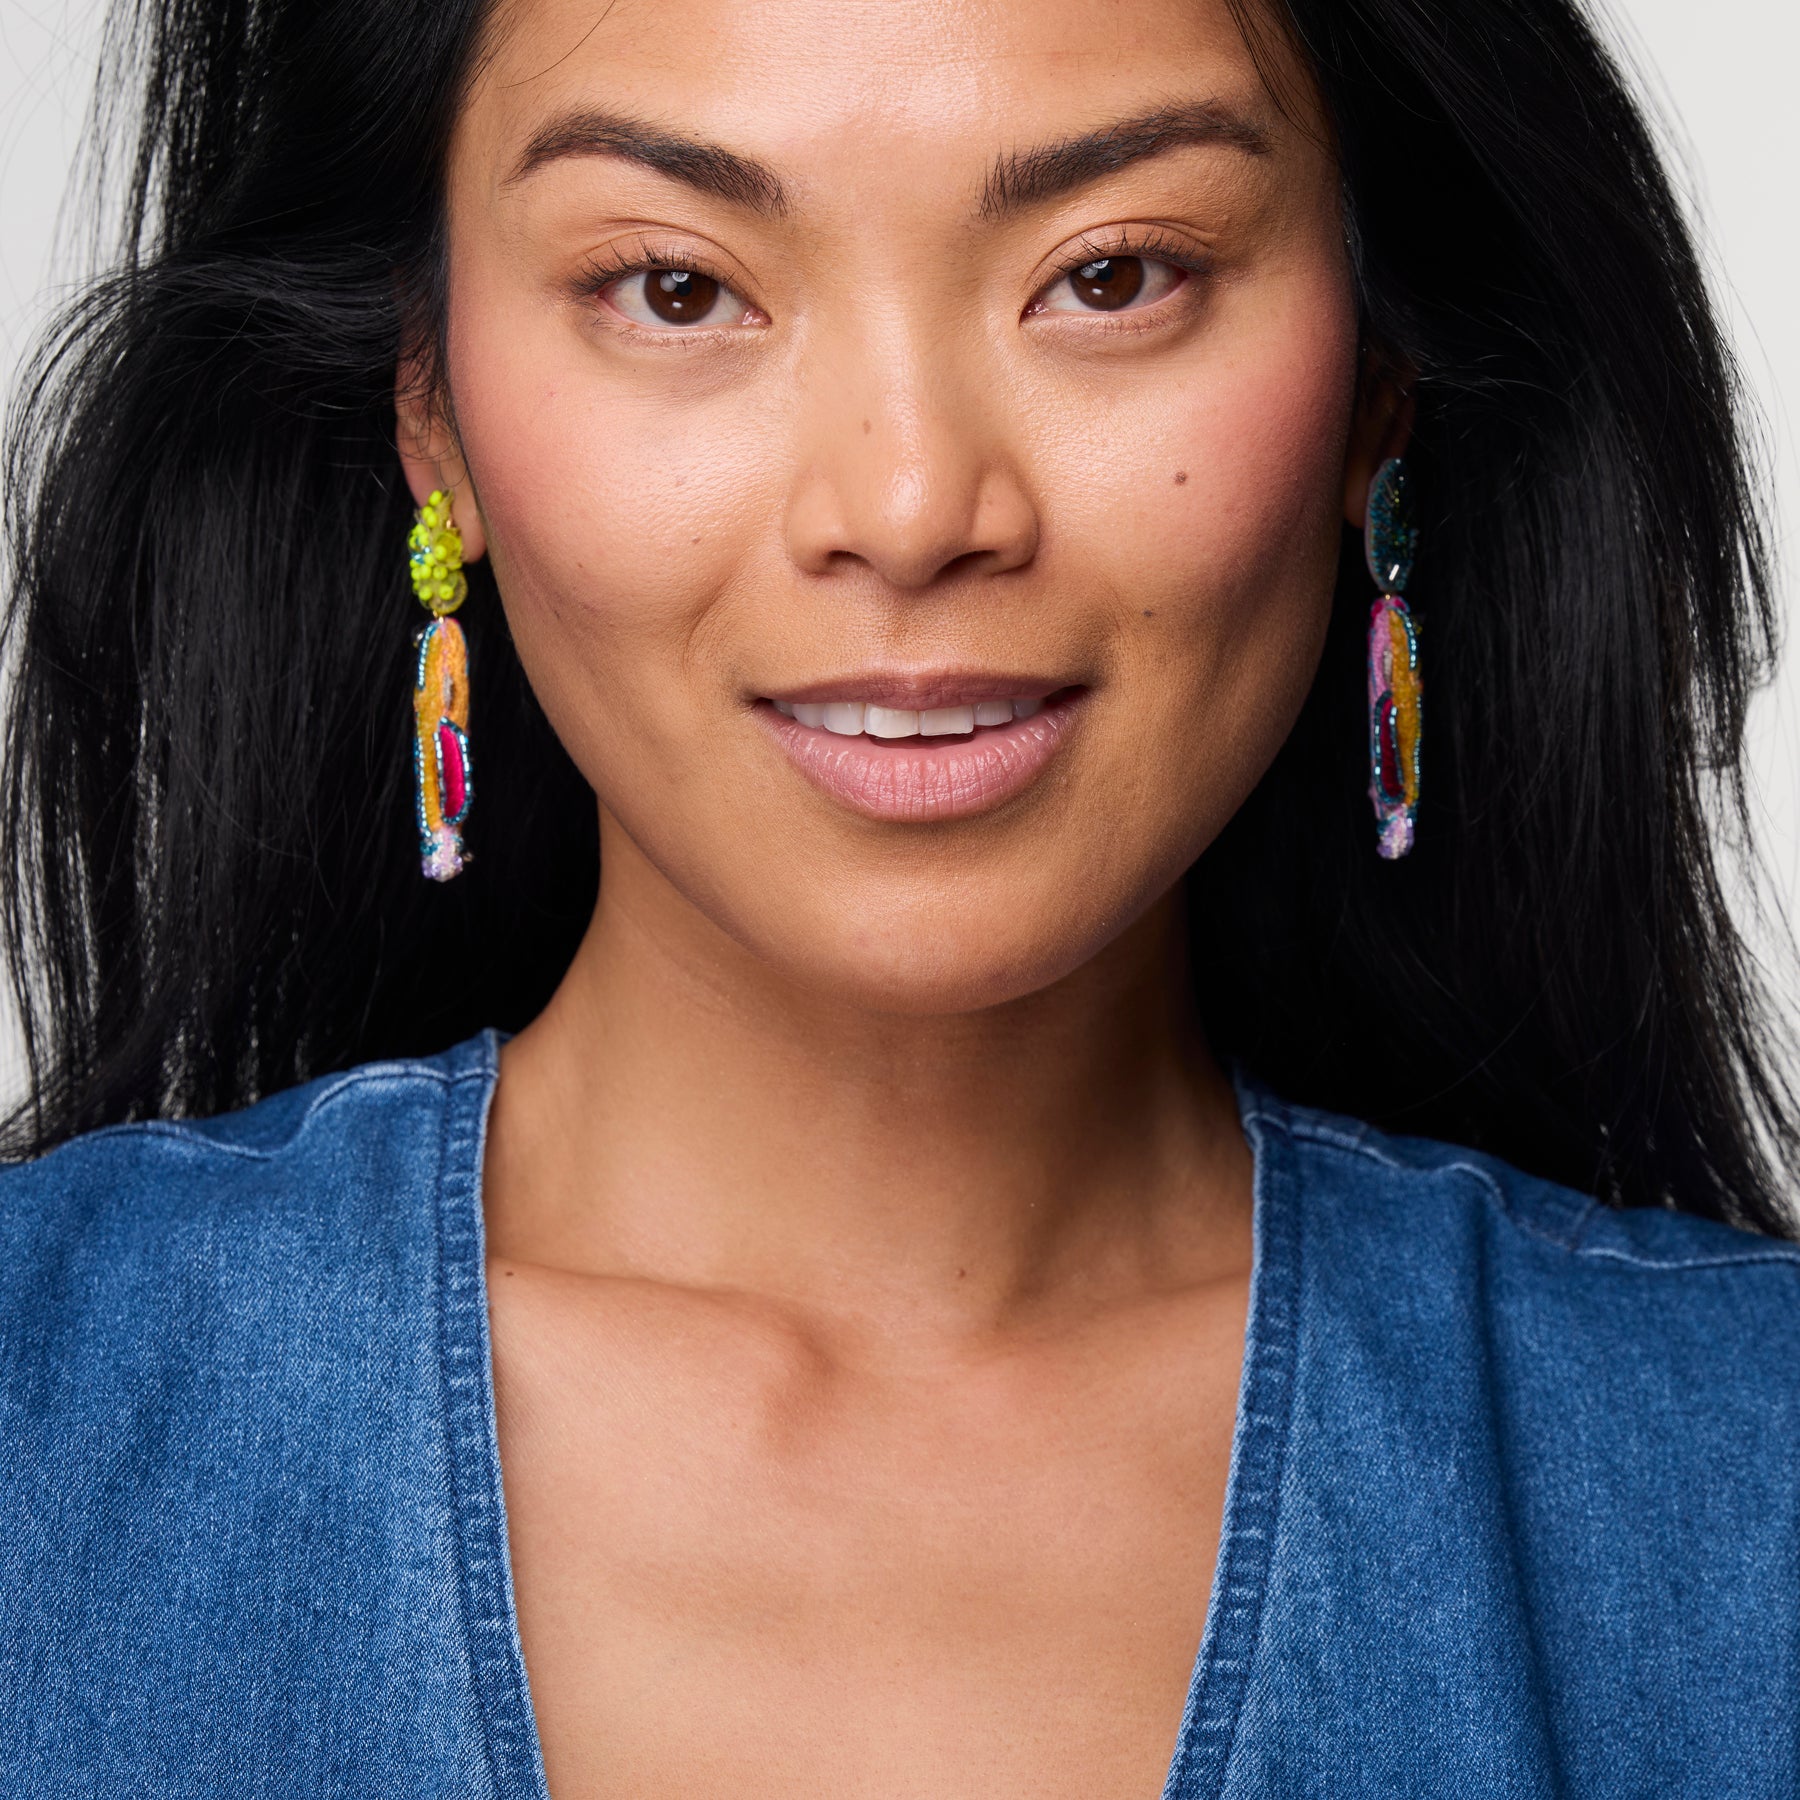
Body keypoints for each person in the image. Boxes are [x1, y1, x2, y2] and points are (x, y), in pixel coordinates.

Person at [1, 0, 1796, 1791]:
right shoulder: (43, 1401)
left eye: (1112, 276)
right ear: (432, 410)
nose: (914, 504)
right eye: (678, 287)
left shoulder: (1744, 1477)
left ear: (1376, 383)